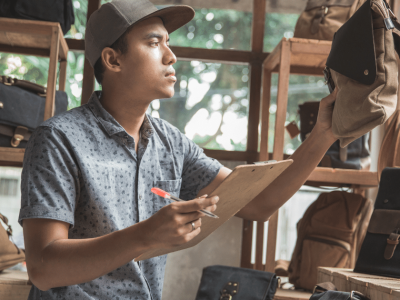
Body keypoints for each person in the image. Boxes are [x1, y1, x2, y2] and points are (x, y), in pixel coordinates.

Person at [19, 0, 337, 299]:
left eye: (168, 43)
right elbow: (43, 269)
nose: (171, 56)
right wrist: (147, 234)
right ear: (112, 59)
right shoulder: (57, 139)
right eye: (155, 43)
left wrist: (325, 133)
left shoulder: (171, 142)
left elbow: (258, 204)